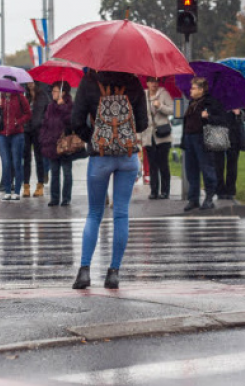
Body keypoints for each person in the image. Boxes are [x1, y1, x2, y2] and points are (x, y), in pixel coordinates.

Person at [70, 71, 147, 290]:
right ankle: (114, 273)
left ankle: (84, 271)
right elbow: (142, 123)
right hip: (128, 157)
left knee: (94, 214)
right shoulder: (133, 80)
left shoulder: (89, 81)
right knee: (121, 213)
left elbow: (76, 120)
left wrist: (95, 137)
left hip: (100, 157)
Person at [181, 77, 226, 211]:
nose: (191, 90)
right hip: (190, 139)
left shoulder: (210, 102)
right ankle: (193, 199)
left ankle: (209, 198)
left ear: (201, 90)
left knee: (207, 169)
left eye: (193, 88)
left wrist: (208, 117)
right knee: (191, 170)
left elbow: (222, 120)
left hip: (203, 139)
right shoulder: (192, 103)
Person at [40, 81, 74, 206]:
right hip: (52, 144)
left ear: (62, 93)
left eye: (54, 91)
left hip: (65, 145)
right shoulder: (50, 106)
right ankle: (54, 198)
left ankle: (66, 198)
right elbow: (45, 123)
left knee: (67, 172)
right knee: (54, 172)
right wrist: (43, 138)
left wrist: (63, 107)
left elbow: (71, 122)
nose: (52, 93)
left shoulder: (70, 105)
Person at [141, 76, 174, 200]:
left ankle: (165, 191)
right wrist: (139, 135)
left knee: (163, 164)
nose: (154, 84)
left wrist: (160, 106)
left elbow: (172, 110)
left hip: (163, 135)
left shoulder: (163, 93)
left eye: (156, 81)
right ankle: (154, 191)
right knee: (152, 164)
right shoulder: (143, 95)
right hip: (148, 135)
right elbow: (140, 114)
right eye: (151, 82)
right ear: (147, 83)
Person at [0, 86, 32, 200]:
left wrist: (19, 121)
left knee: (16, 162)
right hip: (3, 135)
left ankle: (17, 191)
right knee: (5, 163)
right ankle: (7, 190)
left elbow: (28, 114)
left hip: (17, 134)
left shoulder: (19, 96)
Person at [214, 107, 245, 200]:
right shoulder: (213, 96)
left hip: (234, 133)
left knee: (232, 164)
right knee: (218, 164)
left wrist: (239, 113)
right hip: (218, 131)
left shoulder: (238, 97)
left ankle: (230, 190)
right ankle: (220, 191)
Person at [23, 81, 50, 198]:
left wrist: (42, 123)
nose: (30, 83)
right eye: (28, 82)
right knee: (26, 159)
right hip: (26, 130)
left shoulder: (43, 96)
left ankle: (40, 185)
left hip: (38, 130)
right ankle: (26, 186)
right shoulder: (25, 96)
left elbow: (47, 113)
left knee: (39, 159)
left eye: (32, 81)